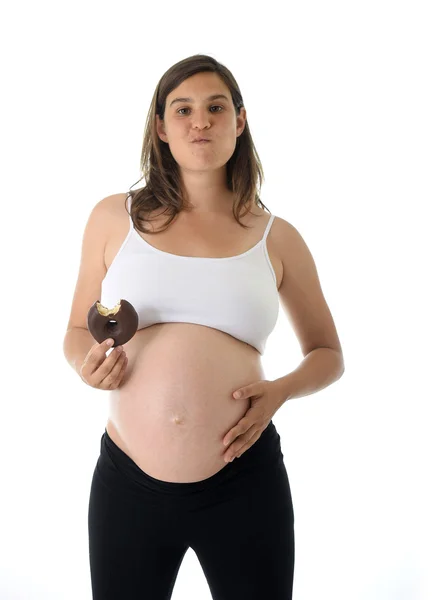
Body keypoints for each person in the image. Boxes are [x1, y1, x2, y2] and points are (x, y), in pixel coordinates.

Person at [63, 54, 345, 600]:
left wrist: (281, 392)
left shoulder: (277, 238)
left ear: (240, 121)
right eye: (183, 109)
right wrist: (85, 366)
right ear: (161, 128)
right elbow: (77, 329)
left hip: (245, 481)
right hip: (127, 483)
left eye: (217, 107)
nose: (201, 121)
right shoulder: (111, 219)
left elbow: (328, 353)